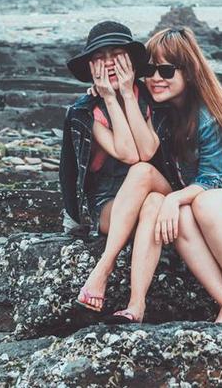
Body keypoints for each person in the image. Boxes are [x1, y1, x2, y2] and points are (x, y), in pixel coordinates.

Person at [106, 26, 222, 325]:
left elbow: (211, 183)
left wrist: (173, 198)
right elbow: (121, 105)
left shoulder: (210, 115)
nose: (155, 78)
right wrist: (104, 91)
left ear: (188, 72)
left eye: (166, 70)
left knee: (202, 203)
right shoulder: (158, 107)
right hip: (201, 206)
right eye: (149, 70)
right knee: (181, 213)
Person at [58, 21, 180, 312]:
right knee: (151, 203)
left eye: (116, 54)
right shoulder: (84, 111)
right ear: (91, 66)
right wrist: (111, 98)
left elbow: (145, 153)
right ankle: (136, 306)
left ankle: (103, 268)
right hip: (109, 204)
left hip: (156, 182)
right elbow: (127, 152)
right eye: (100, 57)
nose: (109, 63)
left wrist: (126, 93)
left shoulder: (150, 97)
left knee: (143, 174)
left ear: (131, 60)